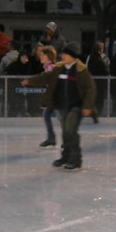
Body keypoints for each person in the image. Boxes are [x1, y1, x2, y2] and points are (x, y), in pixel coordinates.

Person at [21, 43, 96, 171]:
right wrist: (30, 81)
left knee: (70, 131)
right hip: (63, 105)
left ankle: (76, 159)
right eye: (63, 54)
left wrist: (87, 106)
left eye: (66, 54)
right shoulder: (59, 68)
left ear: (72, 56)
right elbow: (46, 77)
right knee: (66, 132)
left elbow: (90, 88)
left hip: (76, 105)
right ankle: (66, 157)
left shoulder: (80, 70)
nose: (63, 56)